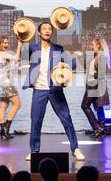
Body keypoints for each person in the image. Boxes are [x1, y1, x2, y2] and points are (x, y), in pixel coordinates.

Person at [21, 22, 84, 161]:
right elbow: (22, 54)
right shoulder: (33, 47)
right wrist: (20, 40)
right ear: (39, 33)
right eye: (44, 29)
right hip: (39, 89)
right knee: (36, 122)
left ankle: (76, 149)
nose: (47, 31)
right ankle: (34, 151)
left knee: (66, 119)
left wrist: (65, 64)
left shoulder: (58, 49)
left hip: (55, 90)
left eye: (49, 29)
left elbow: (73, 64)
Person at [0, 35, 22, 139]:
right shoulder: (3, 54)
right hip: (7, 83)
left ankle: (2, 129)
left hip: (1, 84)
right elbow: (17, 58)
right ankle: (6, 128)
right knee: (17, 104)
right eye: (4, 43)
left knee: (3, 106)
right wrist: (19, 44)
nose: (6, 44)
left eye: (7, 43)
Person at [81, 37, 110, 138]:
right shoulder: (96, 56)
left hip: (94, 85)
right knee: (97, 107)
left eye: (93, 44)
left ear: (98, 45)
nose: (91, 46)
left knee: (84, 106)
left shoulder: (101, 56)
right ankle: (101, 128)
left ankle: (97, 127)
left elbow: (101, 74)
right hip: (92, 84)